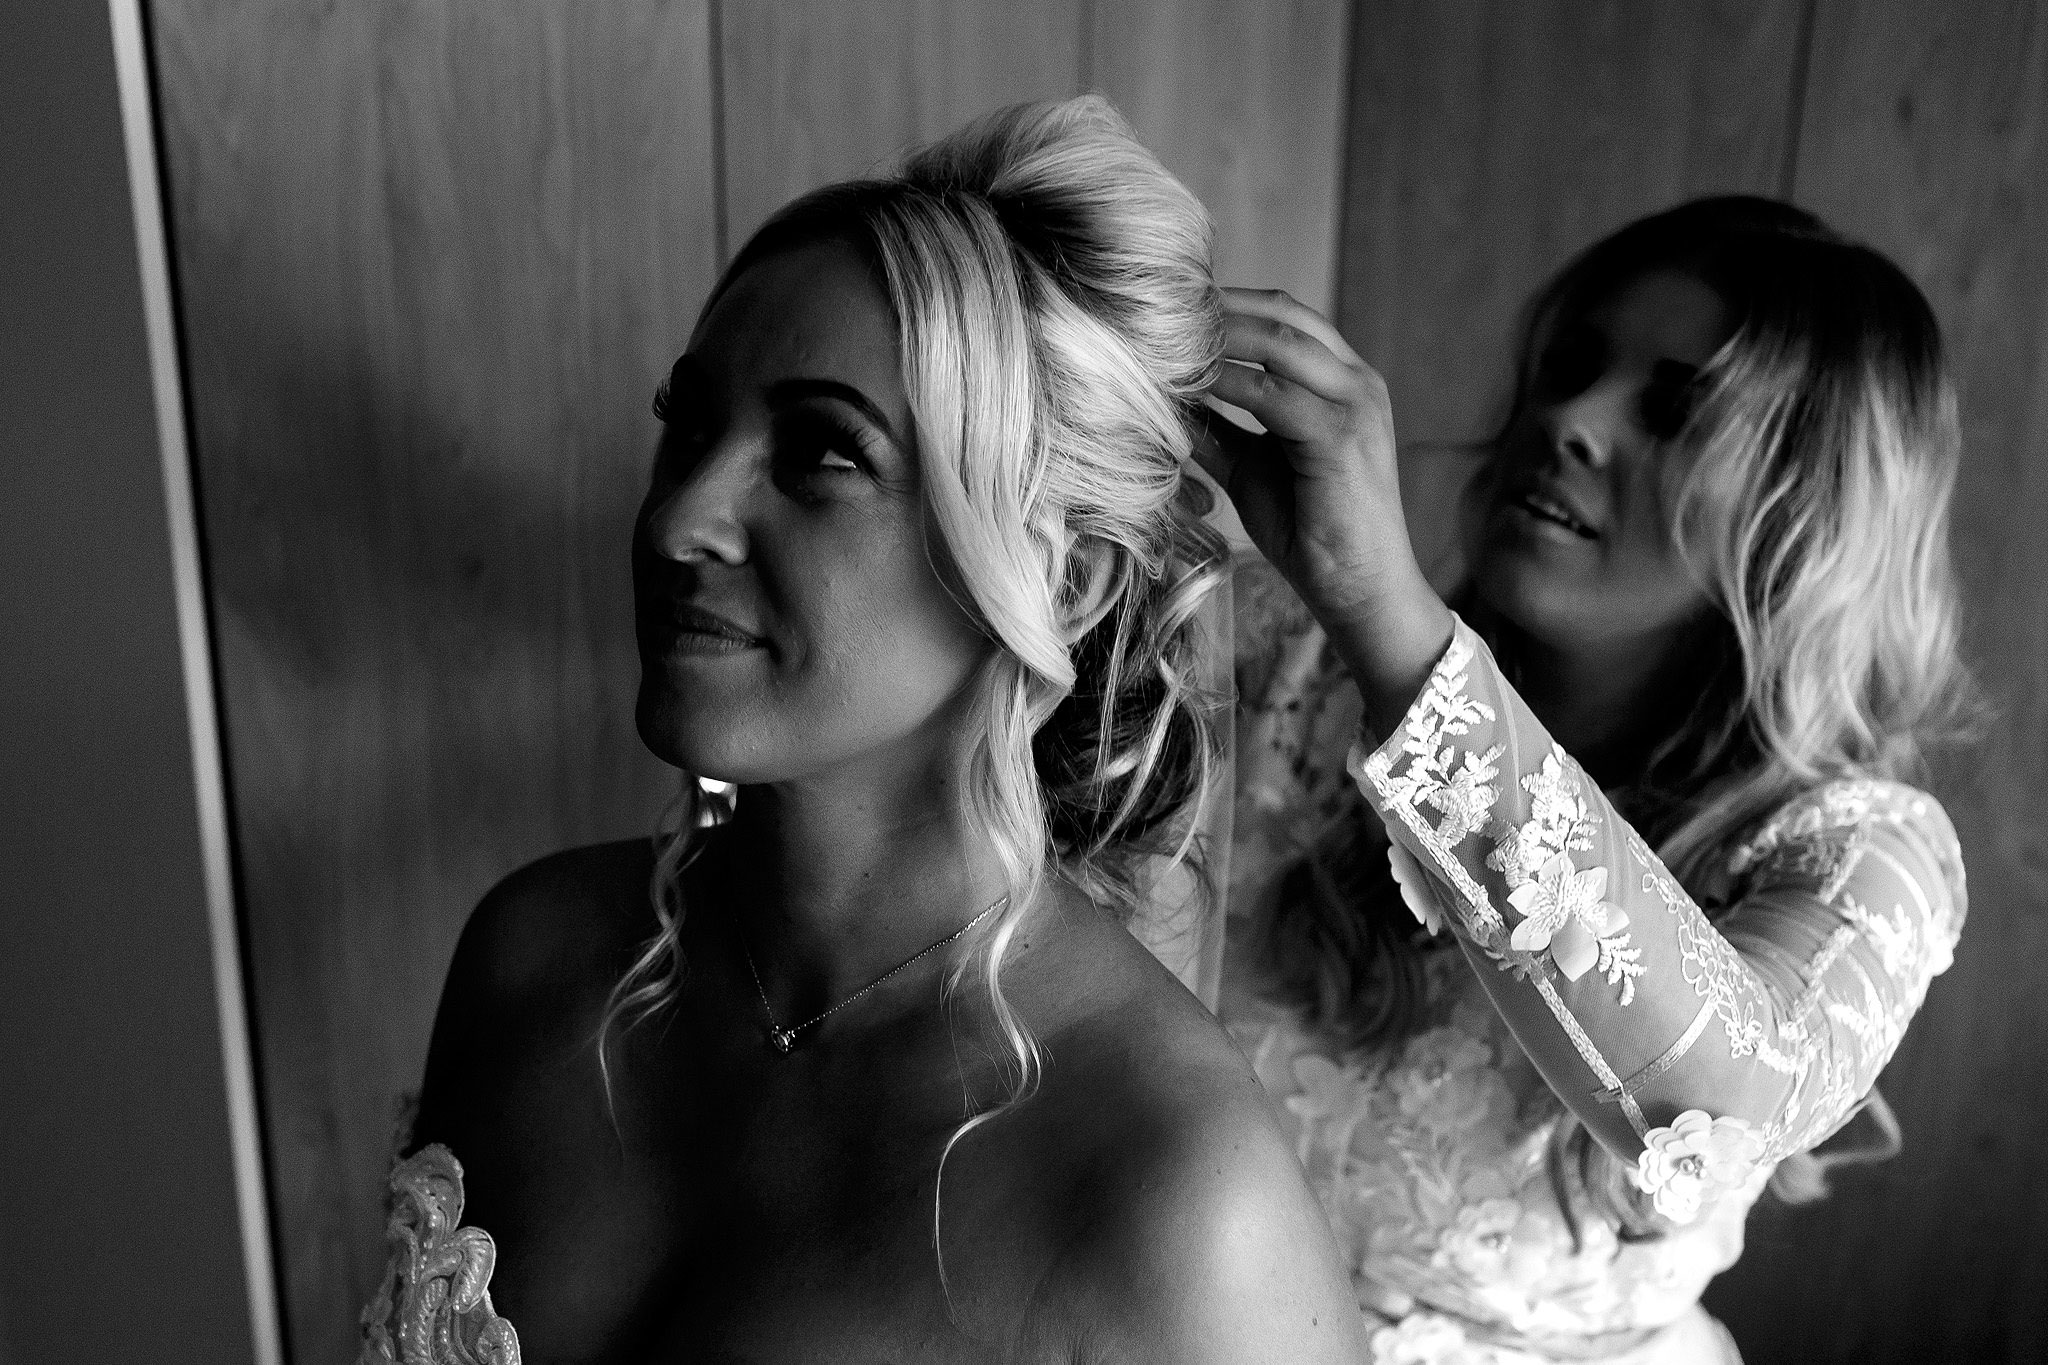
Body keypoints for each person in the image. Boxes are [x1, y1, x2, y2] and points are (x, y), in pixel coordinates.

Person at [355, 96, 1368, 1365]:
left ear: (1058, 584)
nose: (679, 524)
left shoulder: (1169, 1190)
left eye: (820, 453)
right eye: (689, 425)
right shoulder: (533, 953)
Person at [1202, 197, 1972, 1363]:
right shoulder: (1284, 654)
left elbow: (1718, 1110)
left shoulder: (1857, 850)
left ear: (1803, 518)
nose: (1566, 417)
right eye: (1566, 367)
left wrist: (1394, 625)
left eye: (1674, 411)